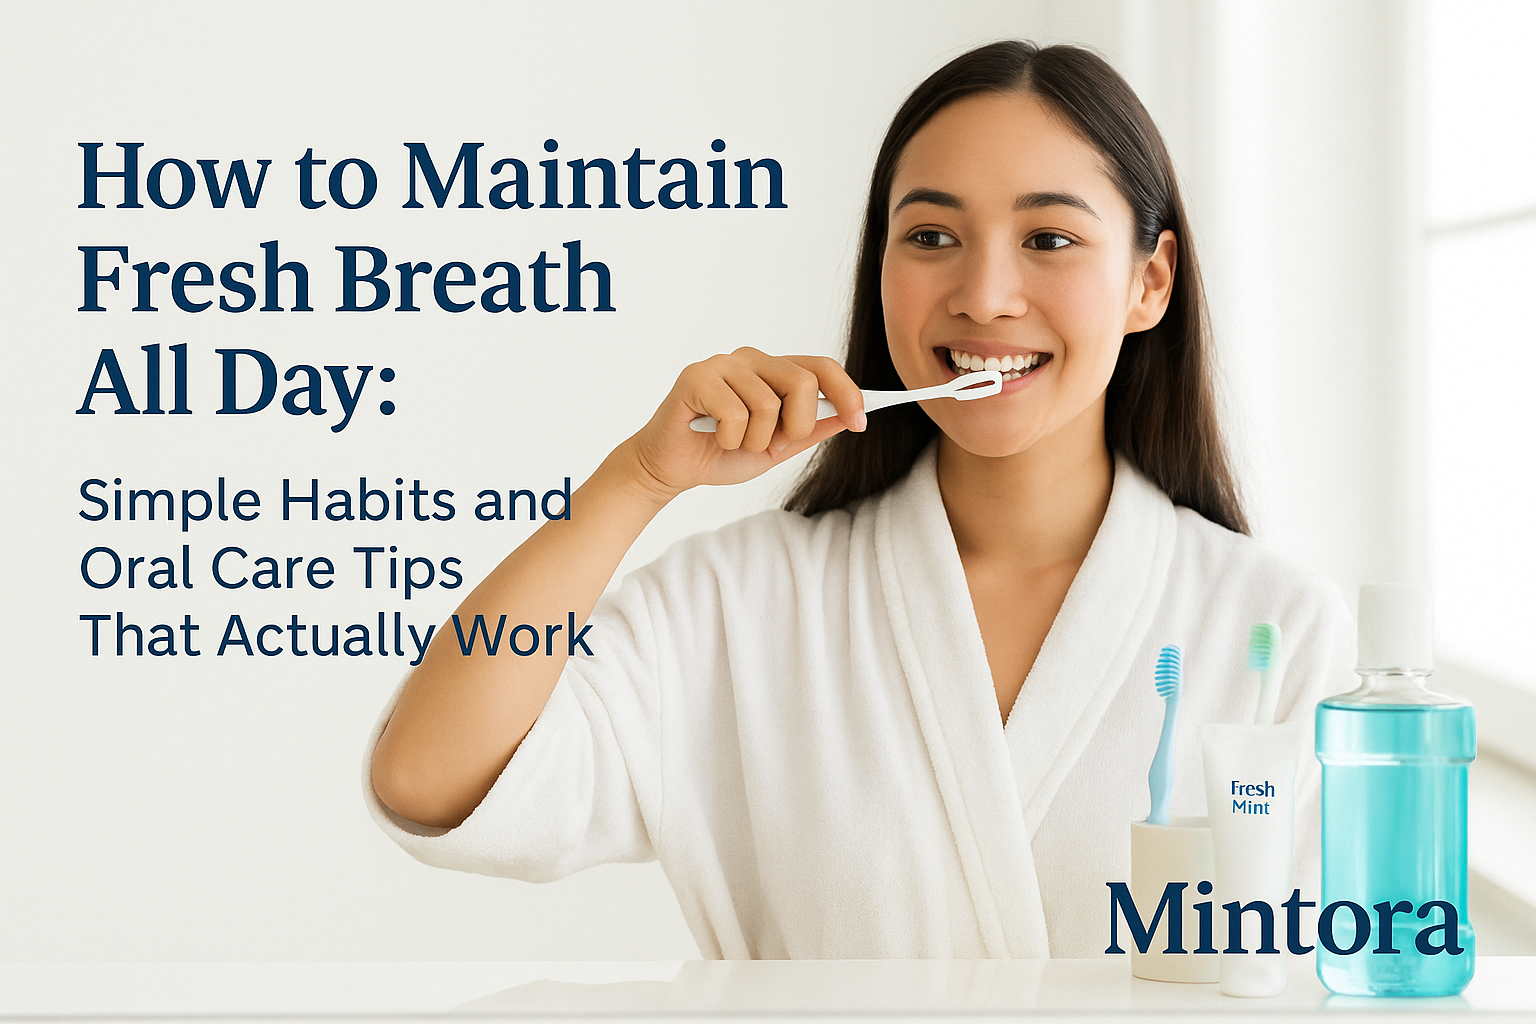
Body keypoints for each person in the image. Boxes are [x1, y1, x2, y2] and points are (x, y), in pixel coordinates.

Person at [365, 40, 1355, 959]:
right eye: (931, 235)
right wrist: (638, 480)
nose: (985, 294)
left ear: (1151, 281)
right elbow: (428, 777)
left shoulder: (1276, 628)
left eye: (1049, 238)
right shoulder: (739, 601)